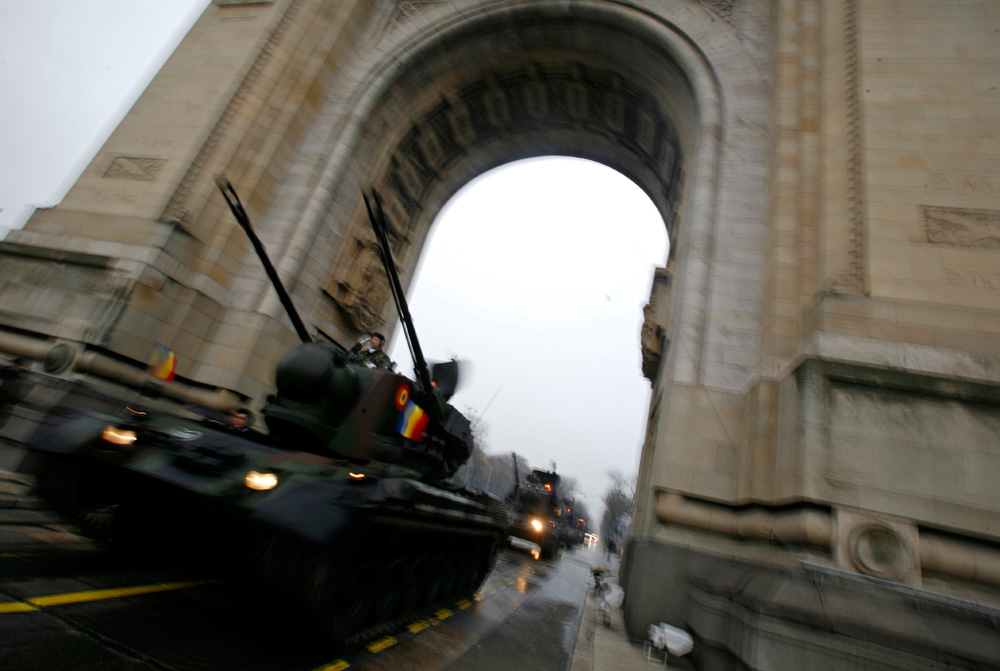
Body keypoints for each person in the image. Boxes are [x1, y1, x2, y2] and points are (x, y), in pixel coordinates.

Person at [0, 357, 32, 430]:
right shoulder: (6, 371)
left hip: (2, 411)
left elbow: (16, 398)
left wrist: (2, 385)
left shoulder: (23, 381)